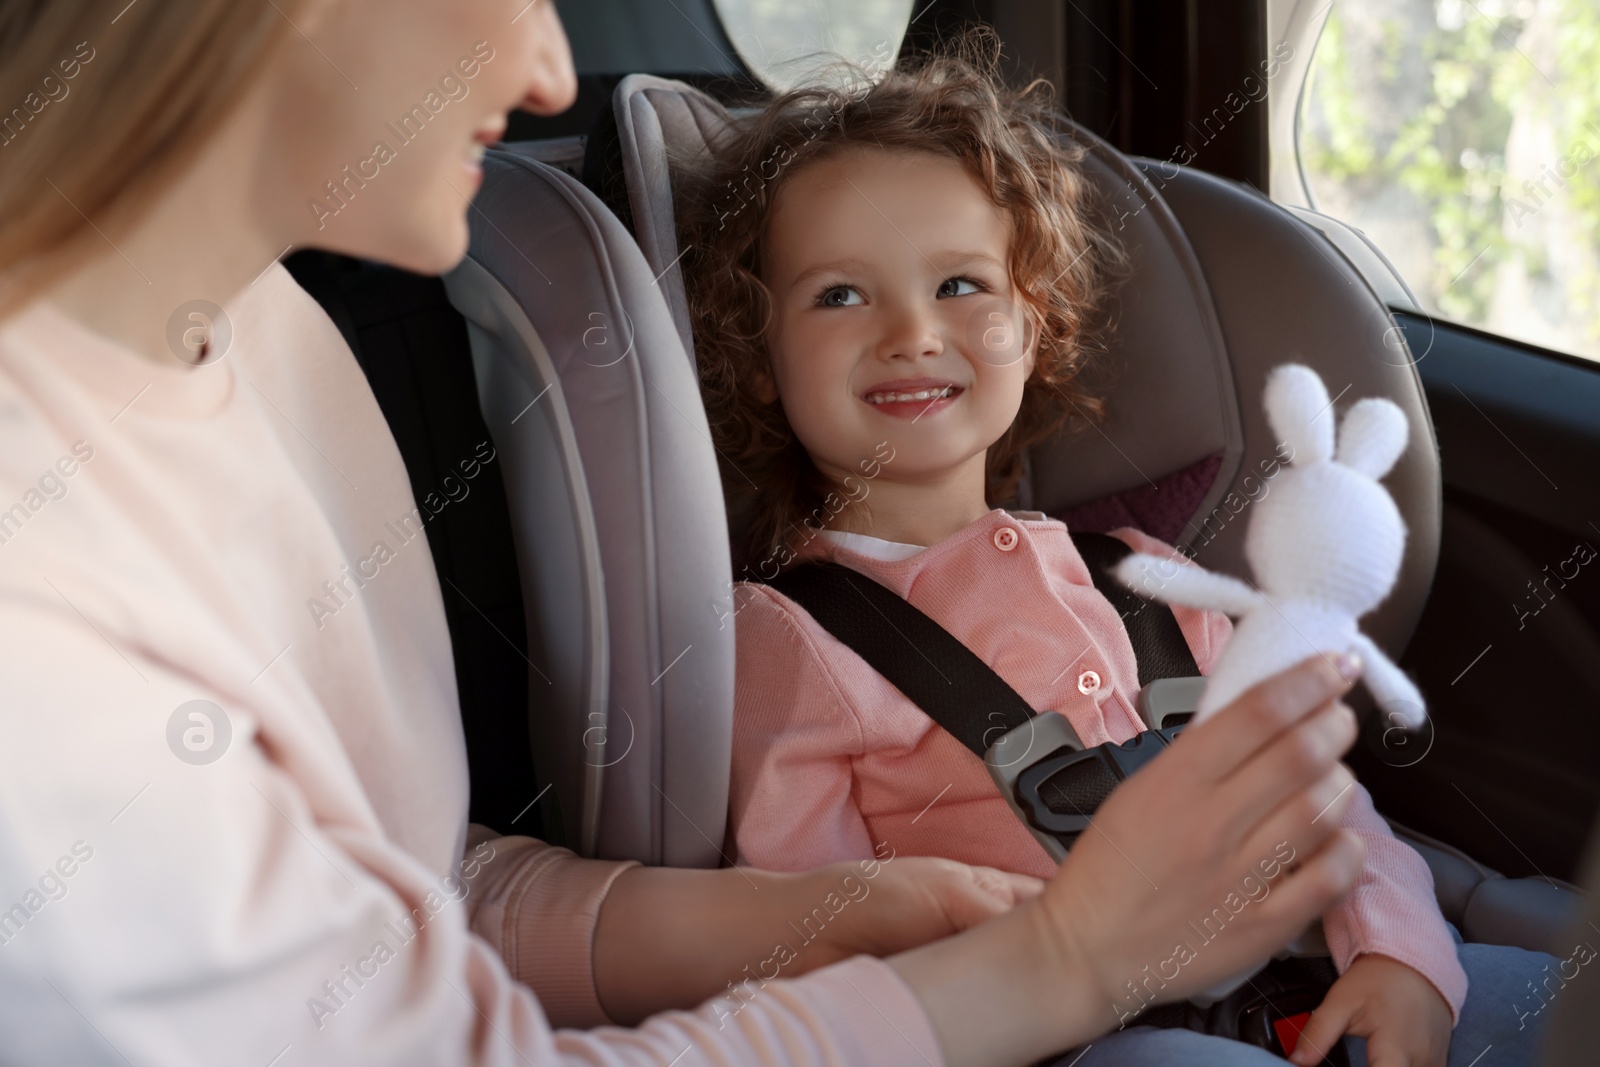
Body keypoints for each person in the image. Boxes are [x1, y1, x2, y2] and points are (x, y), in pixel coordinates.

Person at [0, 2, 1371, 1064]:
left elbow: (398, 893)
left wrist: (834, 921)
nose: (550, 70)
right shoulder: (41, 618)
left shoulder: (266, 336)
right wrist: (1061, 964)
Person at [678, 44, 1558, 1067]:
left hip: (1312, 977)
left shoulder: (1144, 579)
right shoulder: (787, 640)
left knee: (1546, 996)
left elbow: (1327, 803)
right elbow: (809, 946)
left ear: (1033, 325)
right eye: (839, 296)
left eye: (960, 283)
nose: (913, 331)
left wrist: (1400, 956)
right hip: (1074, 1040)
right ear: (756, 357)